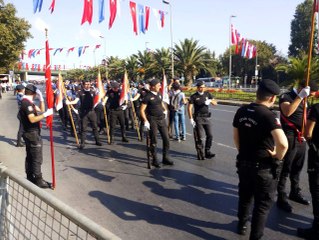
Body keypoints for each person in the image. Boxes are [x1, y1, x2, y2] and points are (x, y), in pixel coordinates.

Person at [233, 79, 288, 240]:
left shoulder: (241, 111)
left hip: (243, 163)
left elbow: (236, 137)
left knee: (245, 197)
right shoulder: (269, 116)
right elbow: (283, 144)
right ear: (272, 98)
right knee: (262, 206)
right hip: (263, 167)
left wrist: (244, 152)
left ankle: (242, 225)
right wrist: (277, 157)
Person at [277, 80, 318, 212]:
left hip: (301, 137)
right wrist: (300, 97)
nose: (310, 96)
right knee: (285, 168)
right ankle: (281, 196)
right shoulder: (286, 96)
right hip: (289, 136)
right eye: (309, 93)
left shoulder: (307, 99)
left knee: (297, 168)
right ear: (302, 87)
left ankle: (294, 191)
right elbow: (287, 112)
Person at [19, 84, 53, 188]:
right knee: (37, 157)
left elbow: (41, 109)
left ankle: (30, 176)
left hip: (30, 133)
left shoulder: (30, 102)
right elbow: (32, 119)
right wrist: (46, 115)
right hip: (32, 133)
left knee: (30, 156)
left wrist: (41, 98)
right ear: (33, 93)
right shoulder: (26, 103)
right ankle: (38, 180)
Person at [297, 101, 319, 239]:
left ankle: (317, 228)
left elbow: (308, 132)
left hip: (317, 154)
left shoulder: (316, 108)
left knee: (316, 189)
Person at [140, 79, 174, 168]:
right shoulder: (147, 97)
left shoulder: (159, 94)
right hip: (152, 119)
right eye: (158, 85)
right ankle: (154, 159)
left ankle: (165, 157)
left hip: (161, 119)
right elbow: (142, 110)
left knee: (166, 138)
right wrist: (145, 121)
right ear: (153, 86)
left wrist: (165, 110)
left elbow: (161, 102)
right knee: (153, 139)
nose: (160, 87)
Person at [66, 80, 102, 149]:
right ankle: (82, 143)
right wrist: (69, 103)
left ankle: (97, 141)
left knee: (95, 127)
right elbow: (76, 100)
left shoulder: (93, 91)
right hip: (83, 112)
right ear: (83, 85)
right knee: (83, 128)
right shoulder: (80, 92)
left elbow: (97, 99)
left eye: (89, 84)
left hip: (92, 112)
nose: (88, 85)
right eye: (86, 84)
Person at [188, 80, 217, 159]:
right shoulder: (193, 96)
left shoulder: (207, 94)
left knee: (210, 135)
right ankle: (200, 153)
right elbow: (190, 108)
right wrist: (191, 119)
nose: (203, 88)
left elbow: (215, 103)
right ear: (197, 88)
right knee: (200, 137)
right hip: (198, 118)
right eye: (201, 87)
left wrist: (210, 101)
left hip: (207, 117)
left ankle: (207, 151)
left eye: (204, 87)